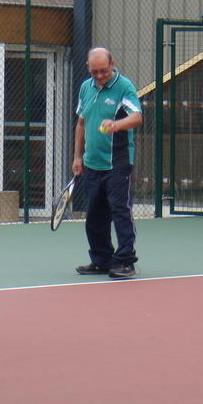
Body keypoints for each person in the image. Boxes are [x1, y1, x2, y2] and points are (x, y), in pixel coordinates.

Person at [72, 47, 143, 279]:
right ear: (88, 68)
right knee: (94, 217)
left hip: (117, 163)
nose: (99, 76)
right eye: (94, 72)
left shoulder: (124, 86)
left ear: (112, 64)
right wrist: (77, 157)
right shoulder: (86, 87)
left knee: (120, 212)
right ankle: (101, 260)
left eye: (103, 70)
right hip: (91, 164)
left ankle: (125, 262)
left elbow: (137, 116)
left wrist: (117, 125)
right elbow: (81, 123)